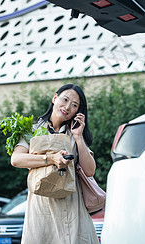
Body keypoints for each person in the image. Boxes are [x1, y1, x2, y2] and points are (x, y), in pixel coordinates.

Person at [11, 83, 99, 244]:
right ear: (54, 98)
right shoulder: (32, 129)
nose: (67, 107)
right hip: (41, 203)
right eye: (65, 99)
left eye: (74, 105)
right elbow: (16, 159)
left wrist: (78, 137)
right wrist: (50, 159)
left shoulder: (74, 133)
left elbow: (90, 171)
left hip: (72, 205)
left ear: (78, 111)